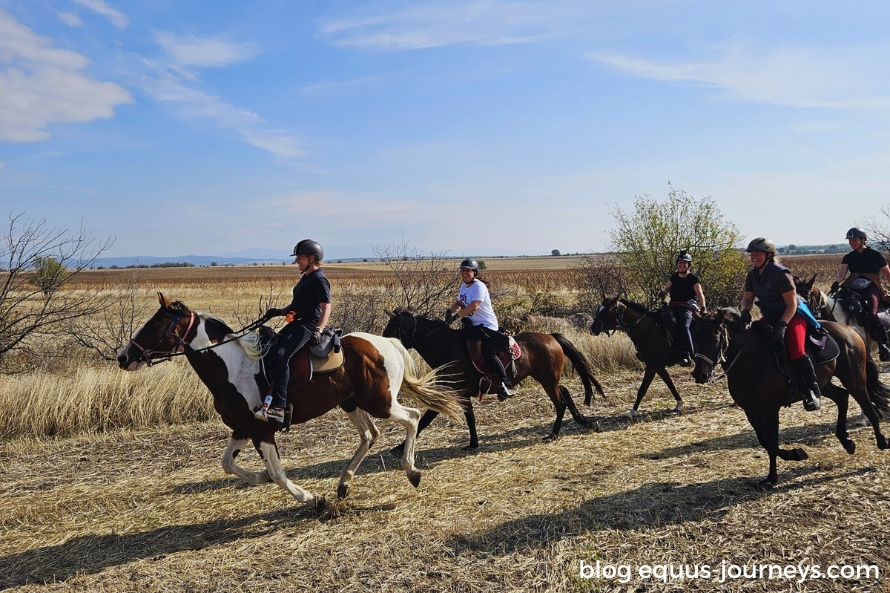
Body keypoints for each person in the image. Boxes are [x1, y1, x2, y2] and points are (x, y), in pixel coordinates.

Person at [739, 237, 821, 411]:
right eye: (751, 253)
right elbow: (747, 298)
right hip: (770, 316)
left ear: (769, 255)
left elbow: (791, 305)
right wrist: (745, 311)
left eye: (757, 253)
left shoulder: (780, 273)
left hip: (793, 315)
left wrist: (782, 326)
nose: (753, 256)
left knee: (797, 350)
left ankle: (811, 389)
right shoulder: (753, 275)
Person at [254, 239, 331, 423]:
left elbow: (326, 307)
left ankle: (279, 408)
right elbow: (298, 305)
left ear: (312, 258)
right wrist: (279, 312)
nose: (296, 261)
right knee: (271, 348)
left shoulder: (319, 279)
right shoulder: (306, 277)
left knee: (282, 355)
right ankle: (268, 399)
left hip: (307, 326)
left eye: (300, 257)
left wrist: (318, 330)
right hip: (296, 323)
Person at [446, 258, 515, 401]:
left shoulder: (479, 286)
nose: (464, 273)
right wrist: (450, 311)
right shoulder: (464, 287)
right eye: (463, 270)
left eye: (468, 270)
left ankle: (505, 384)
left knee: (488, 353)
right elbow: (460, 303)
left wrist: (456, 316)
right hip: (472, 325)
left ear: (474, 272)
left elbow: (474, 306)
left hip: (486, 325)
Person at [830, 227, 890, 361]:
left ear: (863, 240)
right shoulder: (848, 257)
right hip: (853, 286)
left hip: (871, 287)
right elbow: (842, 273)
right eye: (850, 240)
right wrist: (836, 282)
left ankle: (884, 344)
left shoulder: (875, 254)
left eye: (855, 240)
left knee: (872, 313)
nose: (852, 243)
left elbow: (887, 273)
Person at [658, 250, 707, 366]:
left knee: (684, 326)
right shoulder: (674, 277)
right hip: (673, 305)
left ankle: (690, 354)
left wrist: (703, 308)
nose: (682, 265)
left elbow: (700, 294)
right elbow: (667, 288)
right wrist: (663, 292)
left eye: (684, 263)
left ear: (689, 265)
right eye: (680, 262)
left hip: (687, 306)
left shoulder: (693, 279)